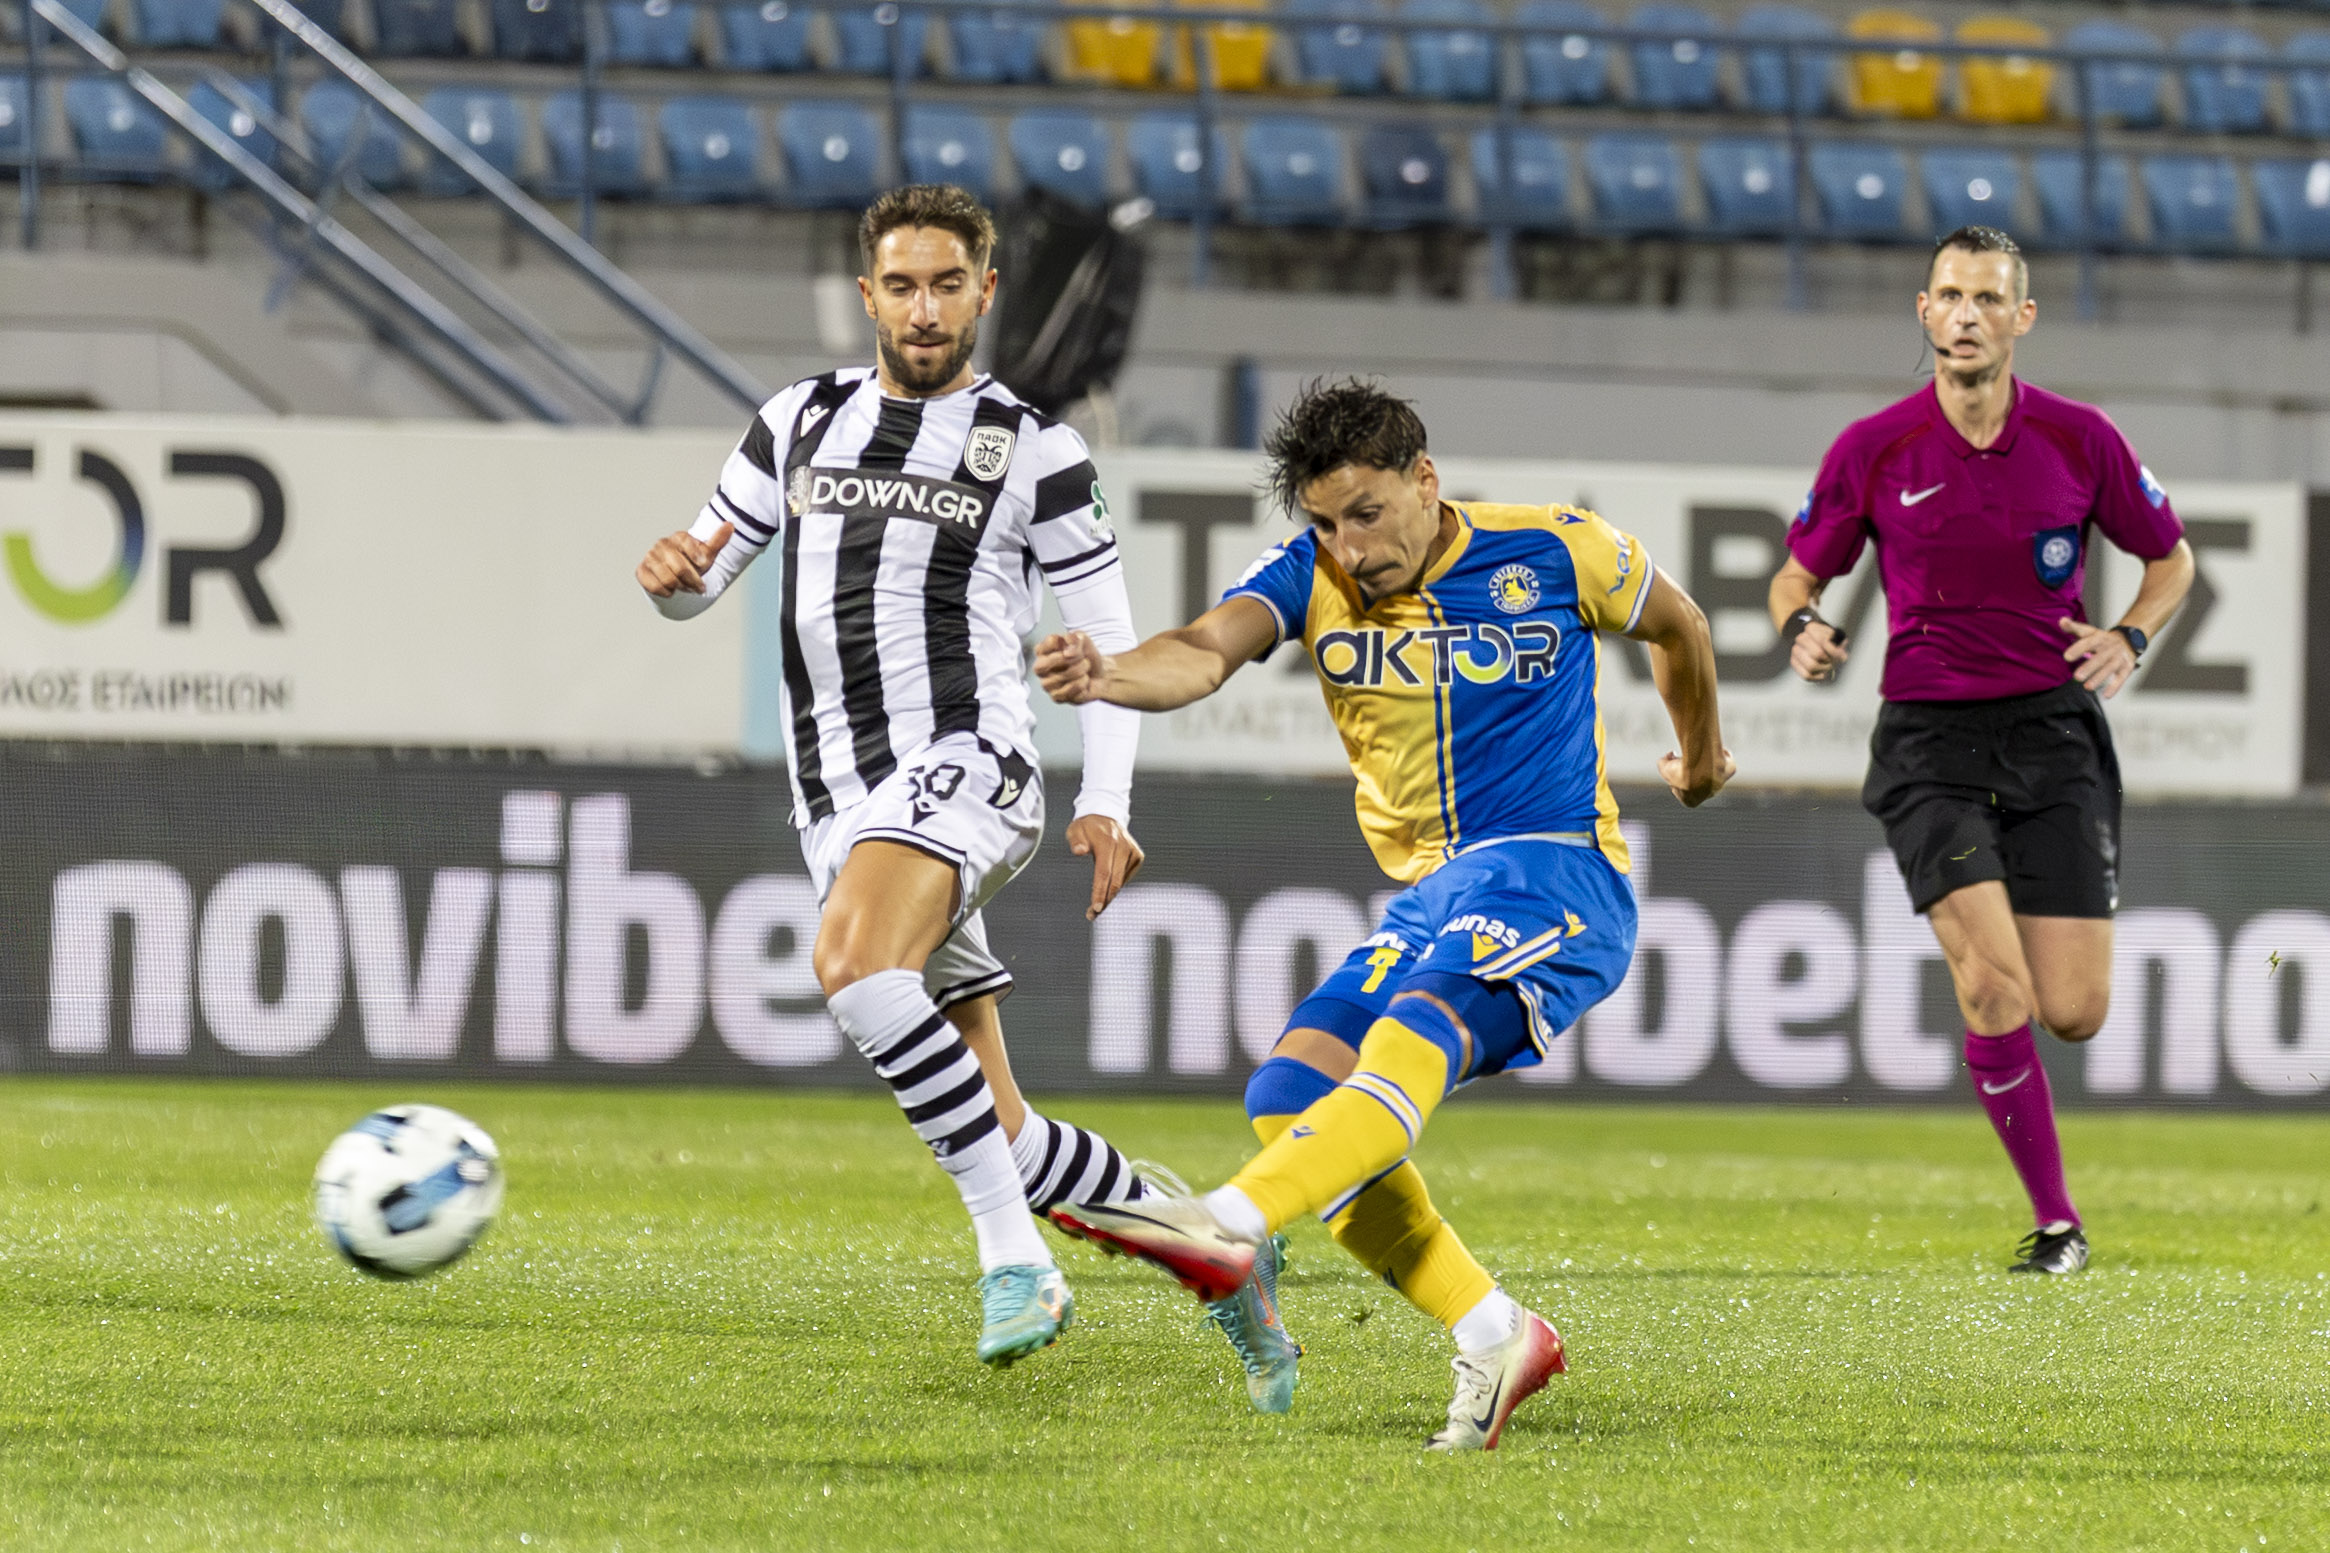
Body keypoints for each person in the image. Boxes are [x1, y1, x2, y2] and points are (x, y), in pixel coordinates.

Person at [1033, 379, 1730, 1451]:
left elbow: (1679, 624)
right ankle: (1495, 1330)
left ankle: (1226, 1222)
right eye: (1325, 522)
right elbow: (1205, 648)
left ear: (1425, 480)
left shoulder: (1555, 547)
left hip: (1555, 871)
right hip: (1437, 893)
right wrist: (1110, 673)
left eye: (1365, 512)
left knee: (1409, 1035)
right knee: (1289, 1090)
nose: (1349, 548)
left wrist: (1703, 757)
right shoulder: (1310, 575)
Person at [634, 185, 1158, 1367]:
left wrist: (1106, 799)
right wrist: (674, 577)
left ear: (985, 292)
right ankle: (1212, 1241)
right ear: (868, 295)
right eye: (904, 287)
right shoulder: (795, 420)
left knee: (855, 964)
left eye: (947, 286)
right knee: (1000, 1122)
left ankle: (1015, 1262)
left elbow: (1109, 642)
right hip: (839, 798)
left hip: (970, 759)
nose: (925, 310)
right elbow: (704, 577)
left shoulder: (1036, 447)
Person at [1768, 226, 2194, 1276]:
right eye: (1949, 296)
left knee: (2074, 1011)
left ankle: (2052, 1197)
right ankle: (2057, 1224)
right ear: (1923, 312)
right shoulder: (1873, 446)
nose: (1965, 315)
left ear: (2021, 317)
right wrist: (1801, 626)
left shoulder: (2080, 438)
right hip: (1928, 740)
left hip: (2052, 732)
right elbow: (1793, 577)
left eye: (1987, 298)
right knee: (1994, 987)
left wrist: (2130, 635)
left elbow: (2172, 560)